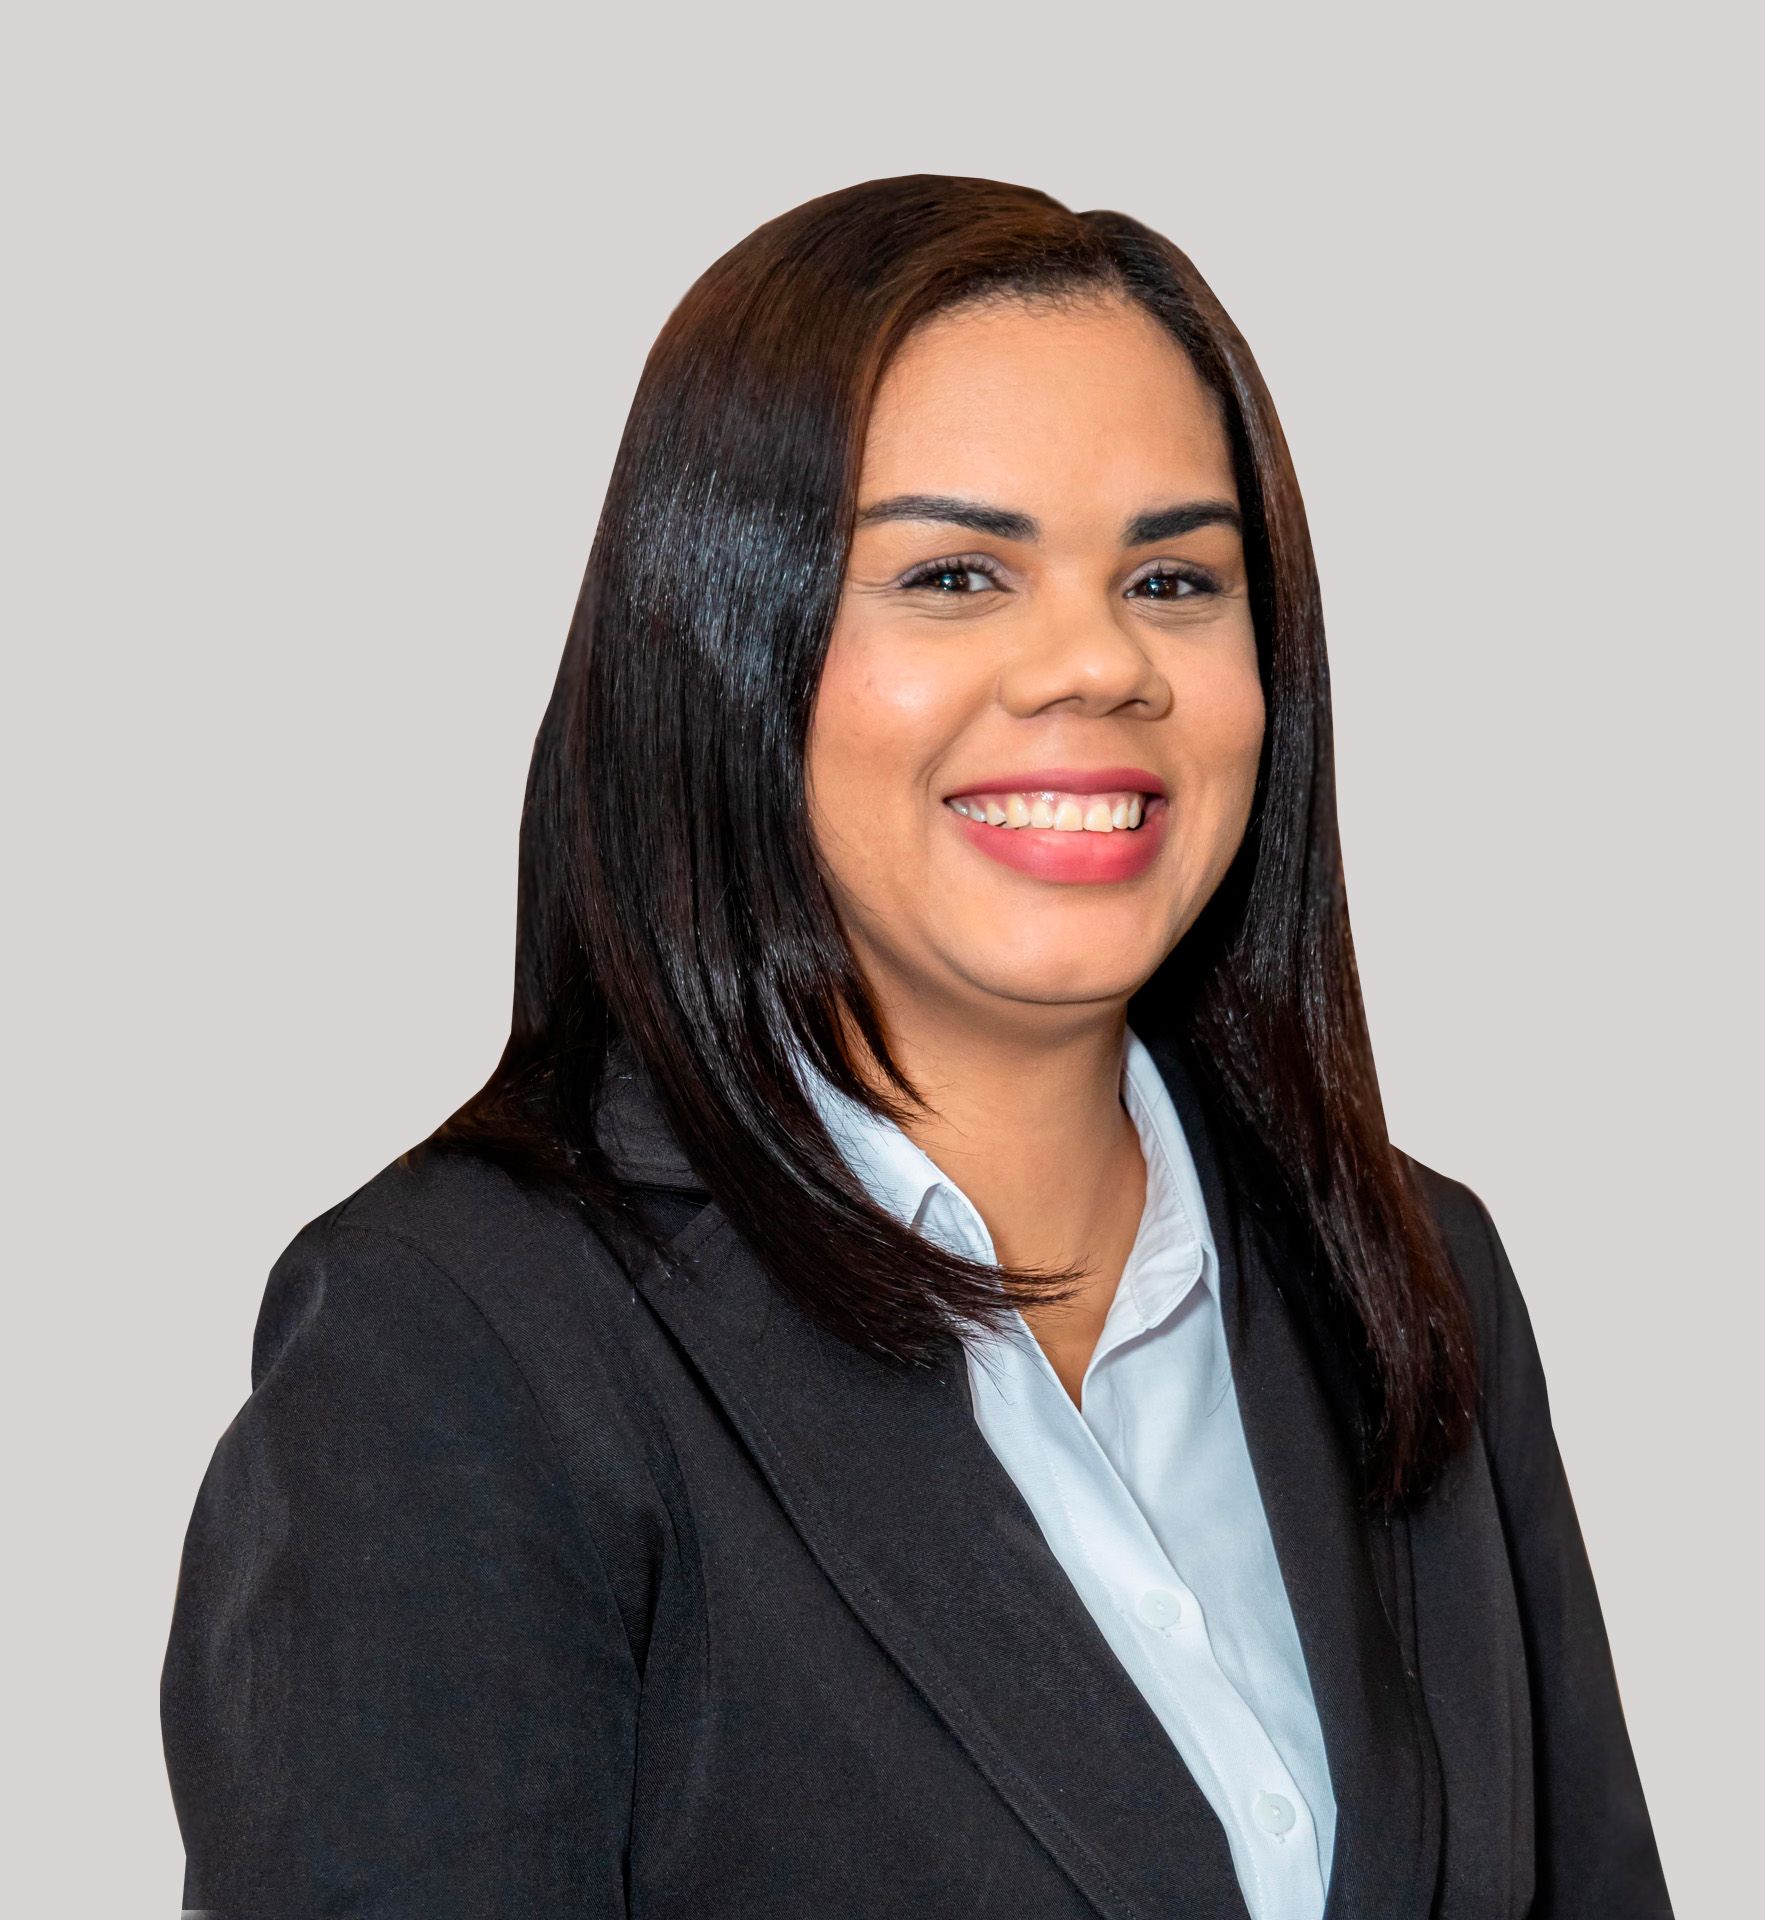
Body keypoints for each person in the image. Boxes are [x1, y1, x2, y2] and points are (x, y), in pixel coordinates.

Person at [161, 175, 1672, 1919]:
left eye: (1174, 577)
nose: (1098, 663)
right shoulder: (462, 1342)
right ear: (721, 641)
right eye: (956, 575)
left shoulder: (1411, 1276)